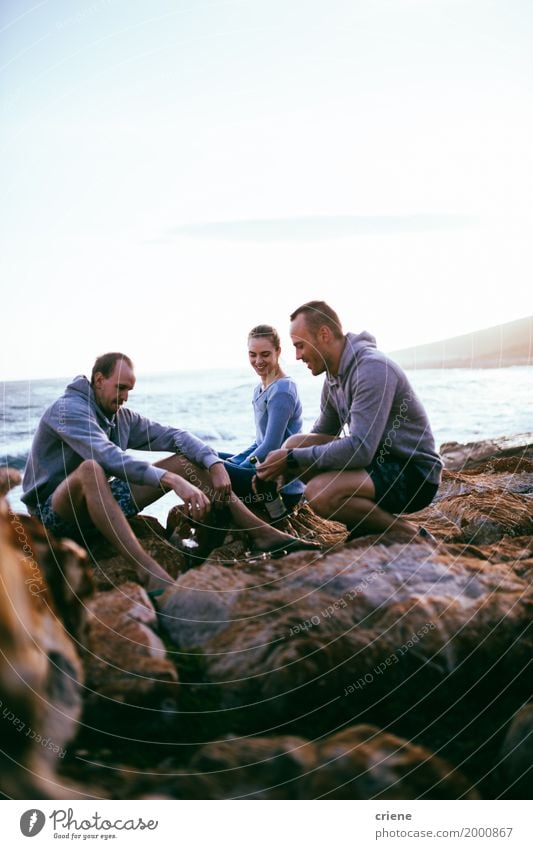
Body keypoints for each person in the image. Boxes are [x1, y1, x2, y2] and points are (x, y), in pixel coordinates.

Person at [22, 353, 320, 593]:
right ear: (99, 380)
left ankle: (262, 534)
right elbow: (105, 455)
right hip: (54, 516)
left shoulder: (119, 416)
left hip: (97, 508)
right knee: (91, 469)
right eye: (120, 388)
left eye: (129, 390)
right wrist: (170, 480)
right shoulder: (68, 410)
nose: (125, 397)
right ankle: (147, 570)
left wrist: (213, 463)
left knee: (184, 460)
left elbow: (175, 436)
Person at [256, 302, 442, 542]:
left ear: (324, 334)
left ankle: (413, 535)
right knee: (294, 443)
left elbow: (361, 449)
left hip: (414, 472)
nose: (298, 356)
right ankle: (364, 523)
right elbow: (321, 434)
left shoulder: (372, 369)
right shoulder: (334, 378)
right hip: (378, 461)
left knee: (319, 492)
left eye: (300, 346)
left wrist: (290, 458)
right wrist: (281, 470)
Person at [219, 324, 305, 512]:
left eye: (265, 354)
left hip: (279, 488)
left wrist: (238, 468)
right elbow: (259, 442)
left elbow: (271, 446)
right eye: (253, 354)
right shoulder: (260, 389)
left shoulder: (283, 390)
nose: (258, 361)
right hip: (259, 468)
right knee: (208, 458)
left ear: (278, 351)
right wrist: (235, 462)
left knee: (207, 468)